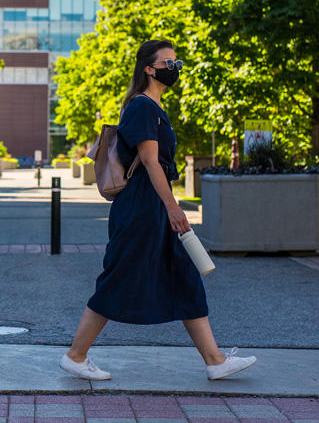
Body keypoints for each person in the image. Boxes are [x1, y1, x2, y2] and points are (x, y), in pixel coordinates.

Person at [59, 39, 257, 382]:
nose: (174, 68)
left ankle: (215, 360)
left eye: (176, 62)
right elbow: (151, 162)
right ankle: (76, 356)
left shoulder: (153, 108)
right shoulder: (142, 108)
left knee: (184, 275)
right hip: (142, 207)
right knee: (119, 276)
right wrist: (173, 208)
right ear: (149, 68)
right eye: (168, 62)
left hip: (152, 204)